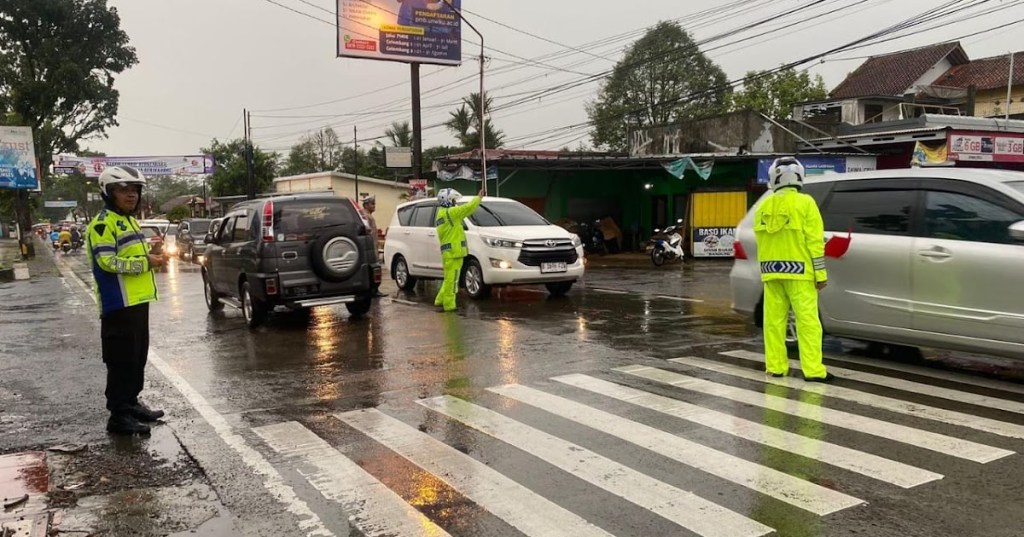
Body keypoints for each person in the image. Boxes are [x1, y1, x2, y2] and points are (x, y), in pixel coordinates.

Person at [86, 165, 169, 435]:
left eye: (135, 190)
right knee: (121, 360)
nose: (131, 195)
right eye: (124, 190)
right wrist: (147, 262)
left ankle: (131, 403)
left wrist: (151, 251)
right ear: (109, 193)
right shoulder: (102, 224)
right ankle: (119, 415)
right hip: (117, 303)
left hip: (137, 302)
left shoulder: (129, 221)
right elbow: (107, 262)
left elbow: (130, 253)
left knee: (137, 357)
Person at [754, 157, 834, 382]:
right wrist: (821, 275)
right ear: (799, 176)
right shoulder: (805, 203)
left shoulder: (763, 205)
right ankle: (813, 370)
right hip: (800, 273)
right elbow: (815, 242)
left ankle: (776, 367)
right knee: (807, 323)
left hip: (771, 273)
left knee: (773, 323)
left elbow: (761, 242)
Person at [434, 186, 485, 312]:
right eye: (453, 200)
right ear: (447, 201)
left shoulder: (441, 213)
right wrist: (479, 197)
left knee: (448, 279)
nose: (454, 202)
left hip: (448, 252)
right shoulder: (450, 213)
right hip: (454, 253)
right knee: (452, 280)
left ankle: (440, 300)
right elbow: (467, 208)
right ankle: (449, 305)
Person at [362, 196, 385, 298]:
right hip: (370, 247)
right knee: (373, 268)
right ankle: (374, 290)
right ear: (366, 205)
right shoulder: (366, 216)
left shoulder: (368, 215)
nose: (374, 206)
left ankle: (373, 289)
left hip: (372, 246)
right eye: (372, 204)